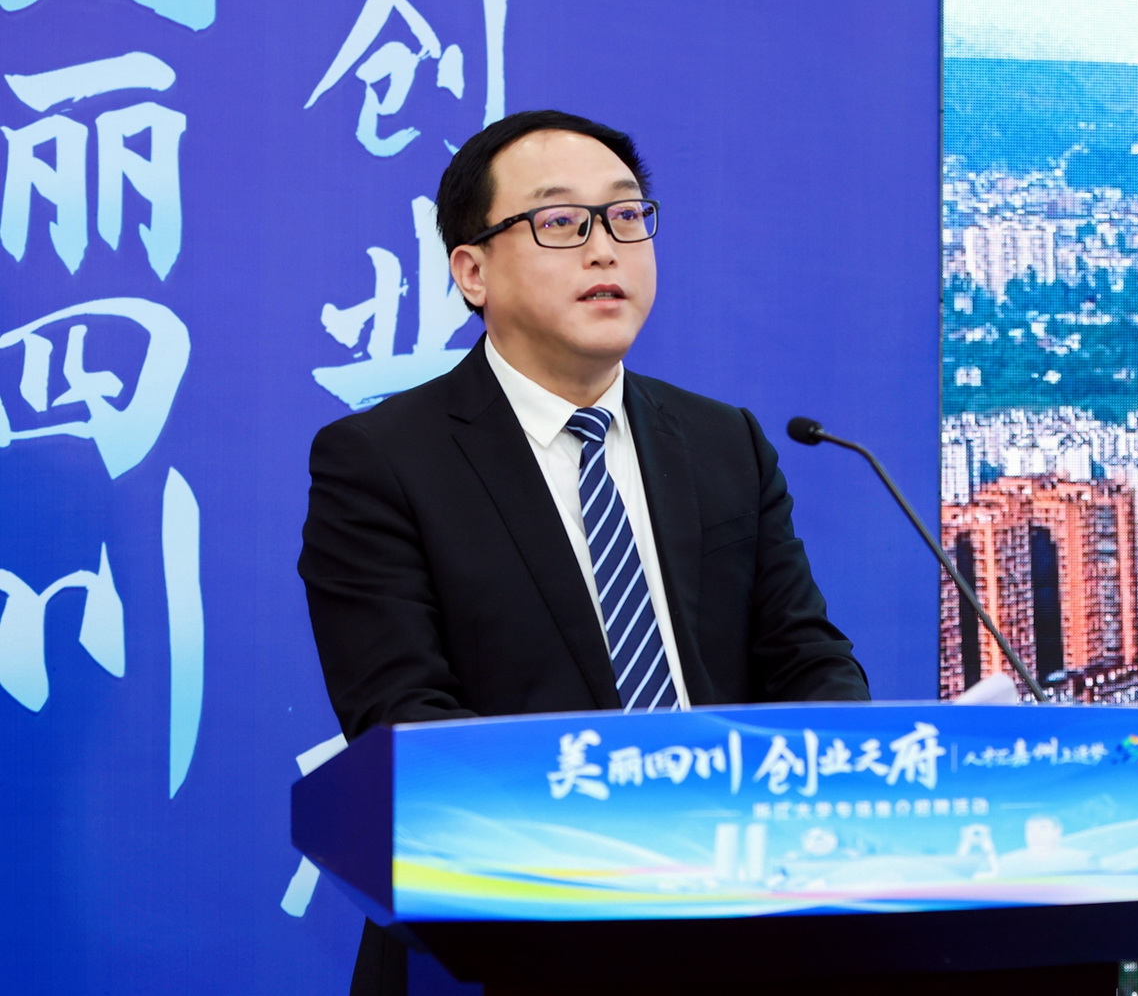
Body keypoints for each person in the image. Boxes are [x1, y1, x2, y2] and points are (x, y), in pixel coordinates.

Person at [298, 109, 870, 995]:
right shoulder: (380, 462)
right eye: (562, 222)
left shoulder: (725, 443)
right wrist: (642, 824)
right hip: (504, 945)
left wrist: (836, 773)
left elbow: (806, 658)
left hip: (742, 932)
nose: (606, 249)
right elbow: (404, 720)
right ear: (473, 271)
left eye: (626, 216)